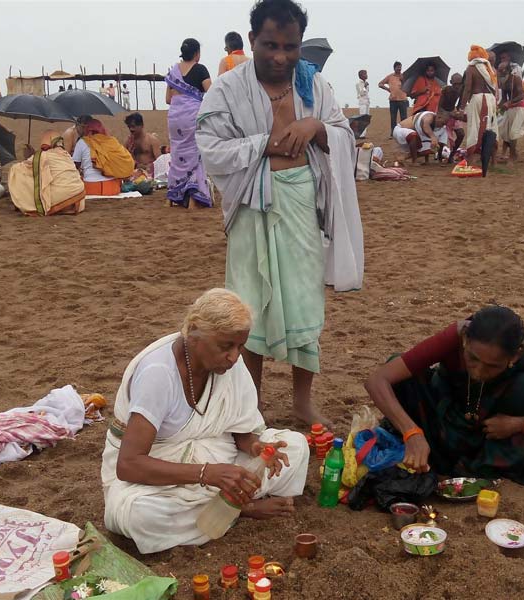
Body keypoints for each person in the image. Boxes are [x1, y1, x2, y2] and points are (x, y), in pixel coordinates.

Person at [197, 0, 364, 426]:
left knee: (306, 302)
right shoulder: (227, 89)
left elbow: (343, 132)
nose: (280, 56)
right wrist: (264, 144)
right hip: (252, 207)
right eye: (270, 44)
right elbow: (210, 147)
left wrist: (315, 127)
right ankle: (250, 400)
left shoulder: (313, 85)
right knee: (248, 305)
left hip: (302, 201)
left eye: (290, 47)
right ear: (252, 40)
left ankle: (302, 400)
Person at [101, 288, 310, 554]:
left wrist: (256, 448)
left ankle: (223, 505)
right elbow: (128, 465)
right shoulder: (158, 373)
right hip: (158, 475)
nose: (234, 357)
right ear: (195, 332)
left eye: (240, 346)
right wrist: (206, 474)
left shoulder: (228, 365)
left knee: (295, 445)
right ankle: (240, 509)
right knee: (139, 516)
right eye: (226, 346)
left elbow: (240, 432)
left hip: (218, 459)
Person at [365, 306, 524, 484]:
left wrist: (520, 424)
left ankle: (473, 469)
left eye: (492, 366)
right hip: (446, 419)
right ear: (466, 339)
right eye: (473, 359)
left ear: (514, 355)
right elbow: (377, 380)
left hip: (493, 433)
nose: (478, 371)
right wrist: (411, 432)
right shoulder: (454, 337)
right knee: (400, 368)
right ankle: (437, 458)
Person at [166, 37, 212, 208]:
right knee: (195, 155)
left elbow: (168, 99)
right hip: (191, 117)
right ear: (196, 54)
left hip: (174, 118)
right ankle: (193, 198)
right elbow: (212, 92)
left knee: (177, 155)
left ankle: (170, 198)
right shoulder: (200, 69)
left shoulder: (173, 72)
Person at [8, 130, 86, 215]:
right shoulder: (66, 155)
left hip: (62, 197)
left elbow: (25, 167)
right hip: (77, 197)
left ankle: (21, 202)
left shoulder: (43, 156)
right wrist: (34, 156)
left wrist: (29, 156)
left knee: (15, 170)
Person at [72, 118, 134, 196]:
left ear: (86, 129)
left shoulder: (82, 142)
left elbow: (74, 167)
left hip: (92, 188)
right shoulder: (111, 141)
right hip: (113, 188)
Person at [458, 45, 498, 165]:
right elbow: (496, 87)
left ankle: (472, 160)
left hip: (477, 99)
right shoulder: (490, 68)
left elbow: (468, 88)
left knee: (475, 129)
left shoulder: (471, 68)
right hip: (491, 100)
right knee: (491, 126)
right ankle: (493, 161)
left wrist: (462, 107)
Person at [497, 55, 524, 161]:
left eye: (502, 71)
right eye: (499, 71)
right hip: (510, 107)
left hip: (519, 107)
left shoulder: (516, 79)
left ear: (508, 70)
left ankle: (512, 155)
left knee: (514, 132)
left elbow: (521, 95)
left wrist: (510, 102)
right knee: (506, 132)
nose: (500, 73)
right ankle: (508, 154)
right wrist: (498, 106)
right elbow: (504, 99)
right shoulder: (503, 82)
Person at [439, 73, 466, 162]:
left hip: (452, 112)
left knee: (461, 134)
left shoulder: (462, 90)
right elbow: (439, 106)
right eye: (455, 84)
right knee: (443, 139)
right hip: (443, 114)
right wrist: (444, 116)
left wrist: (458, 113)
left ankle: (451, 155)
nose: (457, 86)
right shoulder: (446, 90)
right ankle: (440, 155)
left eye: (459, 84)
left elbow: (459, 105)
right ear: (451, 82)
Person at [379, 61, 408, 137]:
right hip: (393, 100)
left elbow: (408, 86)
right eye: (398, 67)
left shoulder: (403, 76)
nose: (399, 68)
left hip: (403, 99)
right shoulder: (390, 76)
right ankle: (393, 133)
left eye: (400, 67)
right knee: (393, 118)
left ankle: (404, 133)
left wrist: (403, 80)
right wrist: (388, 89)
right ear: (394, 68)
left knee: (404, 118)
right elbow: (380, 84)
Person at [356, 69, 369, 138]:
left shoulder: (366, 83)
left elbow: (367, 93)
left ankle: (363, 134)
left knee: (366, 118)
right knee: (362, 118)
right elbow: (361, 93)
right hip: (362, 102)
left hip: (367, 102)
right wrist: (365, 86)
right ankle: (361, 134)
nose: (366, 75)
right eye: (365, 74)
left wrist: (365, 86)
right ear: (361, 76)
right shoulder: (358, 83)